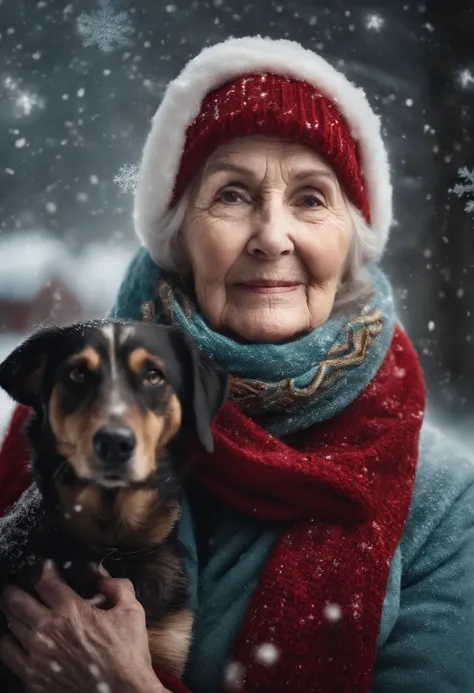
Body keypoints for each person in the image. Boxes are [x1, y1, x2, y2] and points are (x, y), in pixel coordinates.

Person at [0, 35, 473, 693]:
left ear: (351, 240)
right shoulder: (57, 420)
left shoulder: (443, 502)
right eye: (231, 195)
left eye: (311, 198)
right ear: (180, 234)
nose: (272, 237)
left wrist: (125, 684)